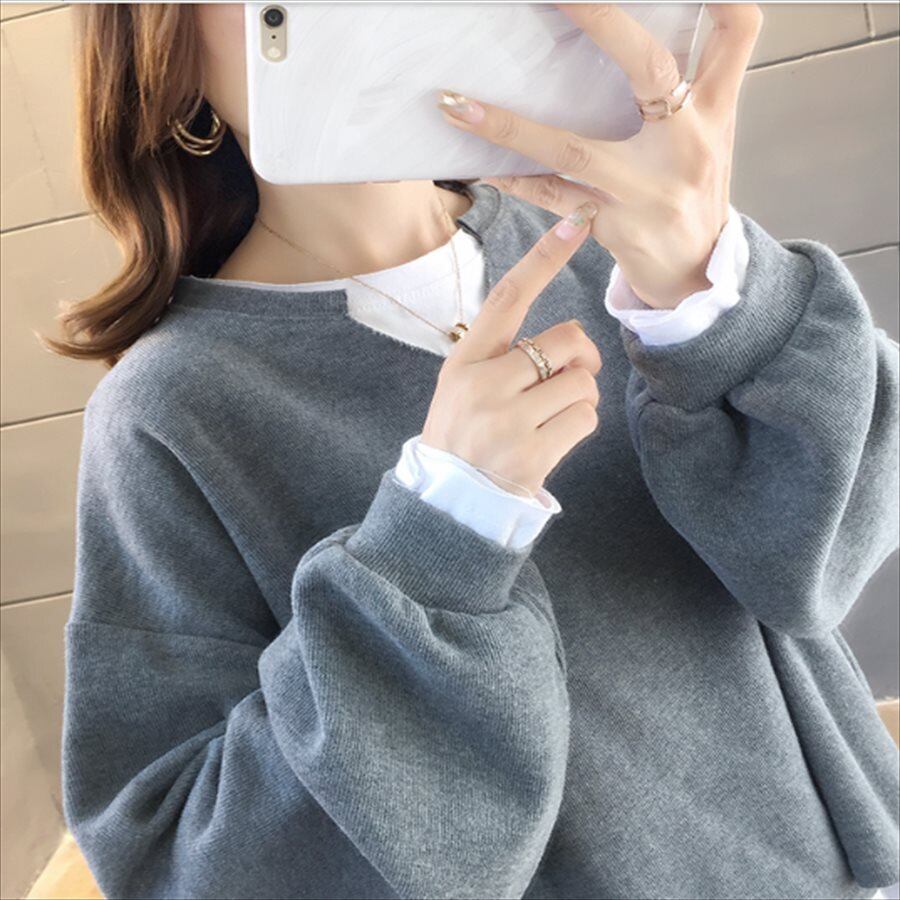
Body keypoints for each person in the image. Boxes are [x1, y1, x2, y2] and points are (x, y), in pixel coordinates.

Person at [50, 3, 899, 899]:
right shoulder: (169, 412)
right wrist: (440, 534)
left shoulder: (609, 229)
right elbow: (184, 865)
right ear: (166, 56)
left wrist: (720, 296)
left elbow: (822, 559)